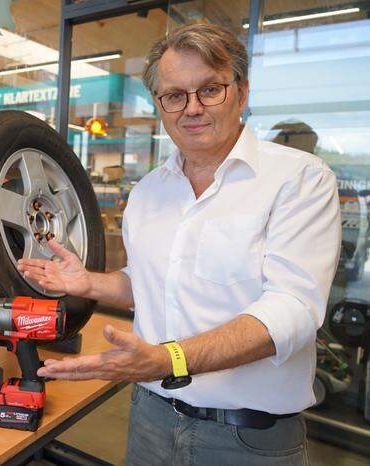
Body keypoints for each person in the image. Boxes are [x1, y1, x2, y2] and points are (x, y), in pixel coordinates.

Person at [18, 23, 341, 465]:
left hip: (248, 439)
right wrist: (89, 282)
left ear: (241, 93)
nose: (192, 109)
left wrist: (169, 359)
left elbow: (293, 311)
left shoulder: (299, 179)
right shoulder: (149, 191)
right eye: (175, 95)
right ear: (160, 105)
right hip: (151, 418)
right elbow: (152, 283)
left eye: (210, 89)